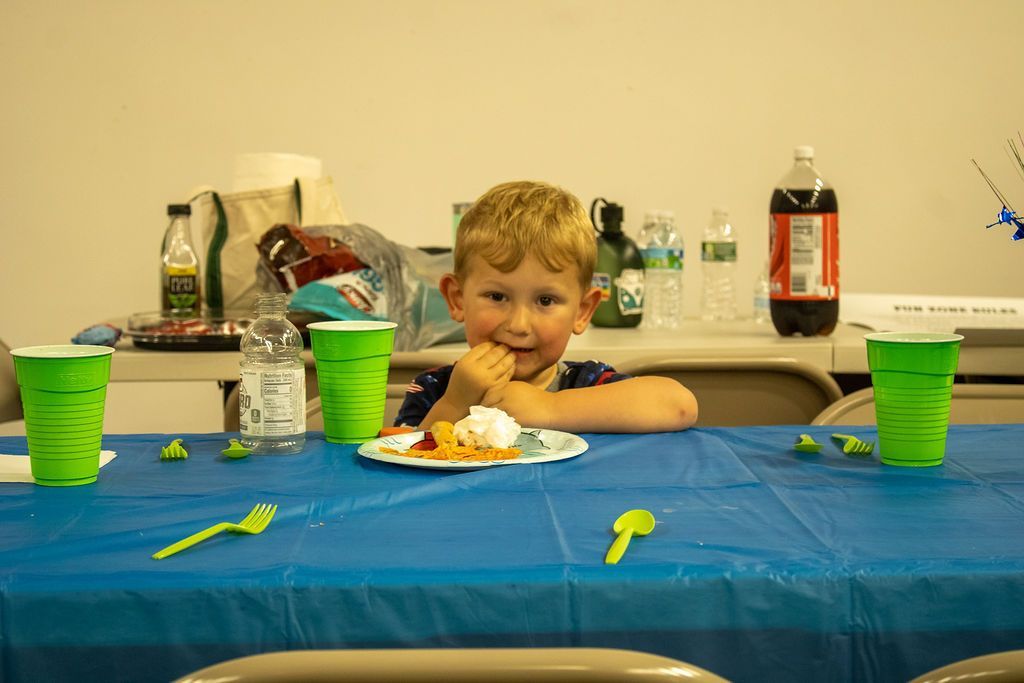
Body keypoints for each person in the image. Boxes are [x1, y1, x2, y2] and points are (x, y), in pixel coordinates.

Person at [395, 180, 698, 433]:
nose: (519, 324)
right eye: (497, 297)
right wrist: (455, 403)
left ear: (582, 311)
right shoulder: (435, 388)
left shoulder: (585, 385)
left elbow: (679, 405)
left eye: (545, 301)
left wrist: (550, 408)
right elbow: (401, 462)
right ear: (457, 299)